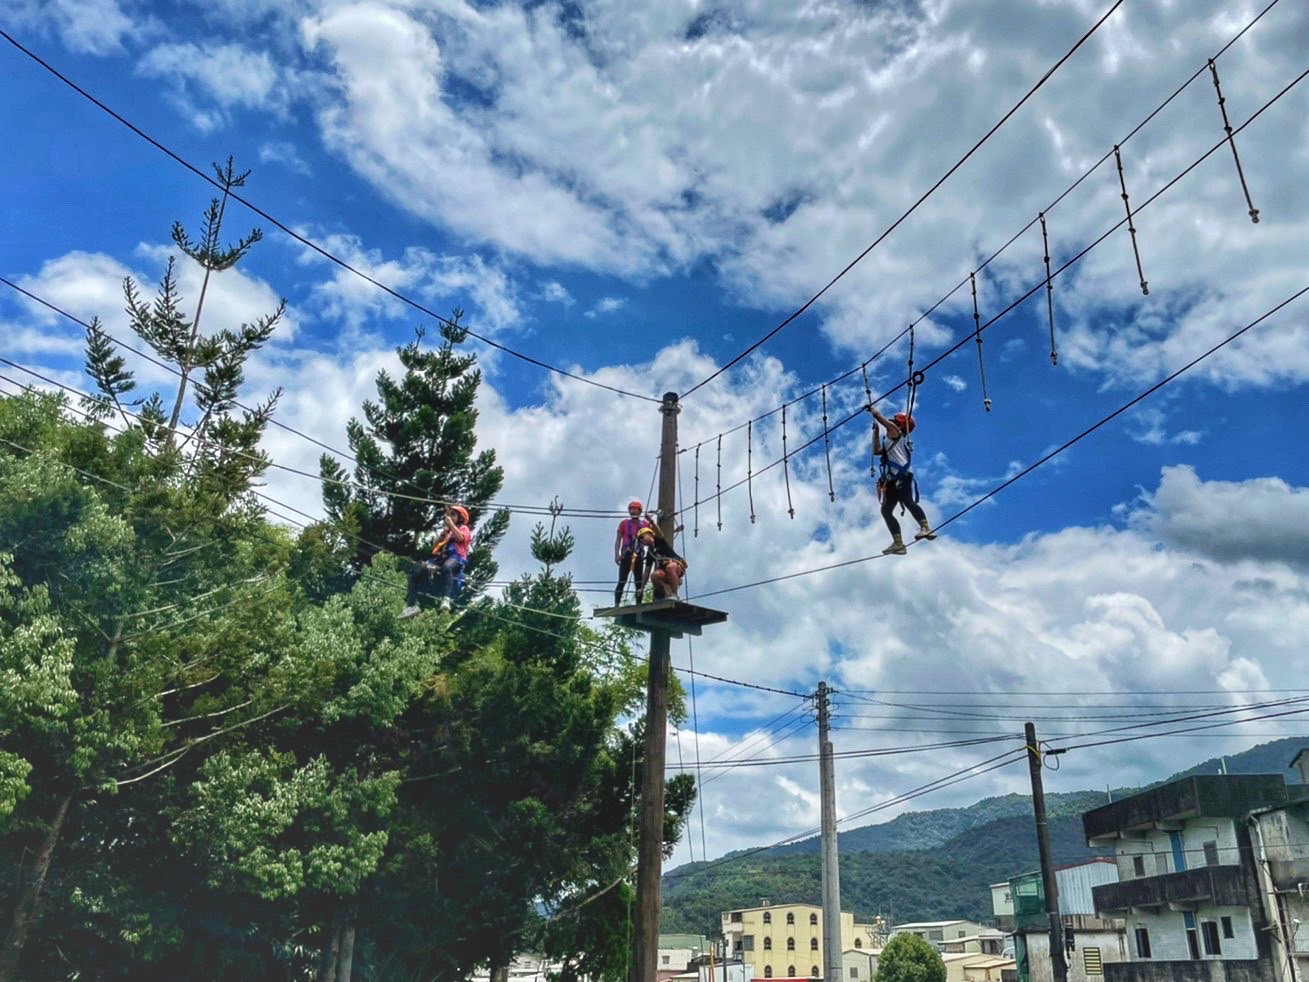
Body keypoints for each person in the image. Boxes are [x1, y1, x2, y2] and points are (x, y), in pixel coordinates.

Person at [869, 406, 935, 555]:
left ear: (899, 425)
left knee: (908, 501)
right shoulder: (888, 439)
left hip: (902, 476)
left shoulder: (896, 433)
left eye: (894, 421)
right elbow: (876, 451)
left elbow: (886, 422)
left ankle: (926, 527)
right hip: (892, 480)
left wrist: (875, 413)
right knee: (886, 510)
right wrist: (876, 433)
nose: (891, 422)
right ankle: (898, 543)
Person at [402, 504, 472, 617]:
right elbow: (434, 548)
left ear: (460, 518)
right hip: (442, 557)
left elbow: (460, 538)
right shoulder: (448, 532)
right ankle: (411, 605)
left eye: (453, 515)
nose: (450, 517)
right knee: (417, 570)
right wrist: (442, 536)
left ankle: (446, 598)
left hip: (456, 557)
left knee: (447, 567)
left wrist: (451, 526)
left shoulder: (464, 529)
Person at [613, 499, 651, 605]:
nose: (634, 512)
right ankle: (616, 604)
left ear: (640, 512)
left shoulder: (645, 524)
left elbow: (654, 536)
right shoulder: (624, 523)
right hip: (626, 555)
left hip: (639, 556)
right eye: (632, 510)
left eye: (636, 510)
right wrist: (617, 555)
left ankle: (638, 605)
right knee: (622, 580)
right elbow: (618, 539)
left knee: (639, 582)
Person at [639, 525, 688, 600]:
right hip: (665, 570)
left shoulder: (659, 540)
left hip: (676, 565)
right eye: (640, 540)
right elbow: (647, 571)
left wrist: (651, 521)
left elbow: (658, 531)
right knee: (654, 576)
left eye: (642, 537)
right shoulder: (650, 553)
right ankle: (667, 594)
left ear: (650, 534)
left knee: (670, 567)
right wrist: (642, 588)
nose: (642, 540)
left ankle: (674, 594)